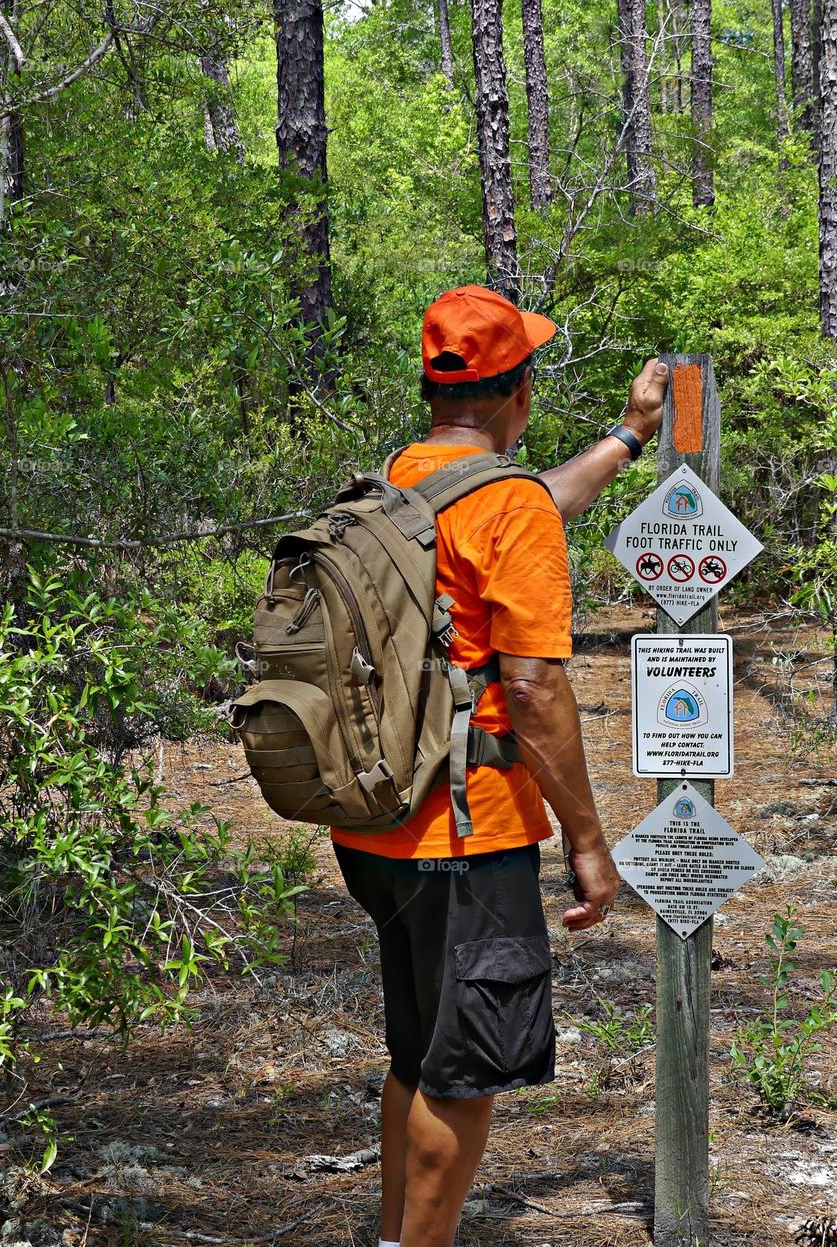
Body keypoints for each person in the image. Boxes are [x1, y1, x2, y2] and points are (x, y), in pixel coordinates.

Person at [329, 285, 667, 1247]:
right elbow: (533, 692)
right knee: (464, 1072)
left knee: (416, 1054)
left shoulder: (402, 479)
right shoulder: (505, 510)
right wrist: (591, 844)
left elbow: (527, 504)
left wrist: (629, 436)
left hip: (376, 825)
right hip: (469, 832)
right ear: (517, 391)